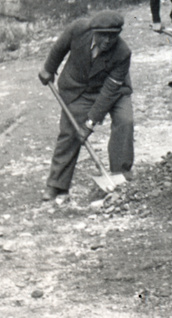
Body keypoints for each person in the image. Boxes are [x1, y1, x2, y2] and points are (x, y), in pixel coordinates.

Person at [38, 10, 134, 200]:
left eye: (112, 36)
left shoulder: (123, 53)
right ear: (93, 32)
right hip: (79, 88)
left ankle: (121, 175)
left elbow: (108, 93)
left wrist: (90, 124)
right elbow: (59, 47)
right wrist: (48, 68)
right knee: (70, 131)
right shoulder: (78, 29)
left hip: (114, 90)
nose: (107, 41)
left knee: (125, 121)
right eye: (103, 35)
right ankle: (57, 185)